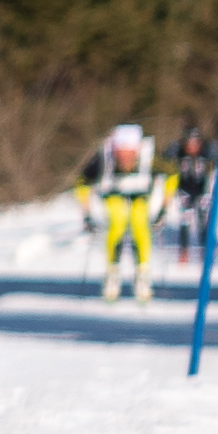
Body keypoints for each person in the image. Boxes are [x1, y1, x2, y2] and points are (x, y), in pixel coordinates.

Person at [80, 115, 168, 307]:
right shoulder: (104, 157)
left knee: (139, 221)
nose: (125, 159)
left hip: (141, 195)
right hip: (113, 194)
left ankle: (142, 275)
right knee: (118, 220)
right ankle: (112, 274)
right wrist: (87, 213)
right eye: (121, 153)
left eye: (129, 154)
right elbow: (82, 183)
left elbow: (172, 174)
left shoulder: (149, 156)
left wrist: (164, 207)